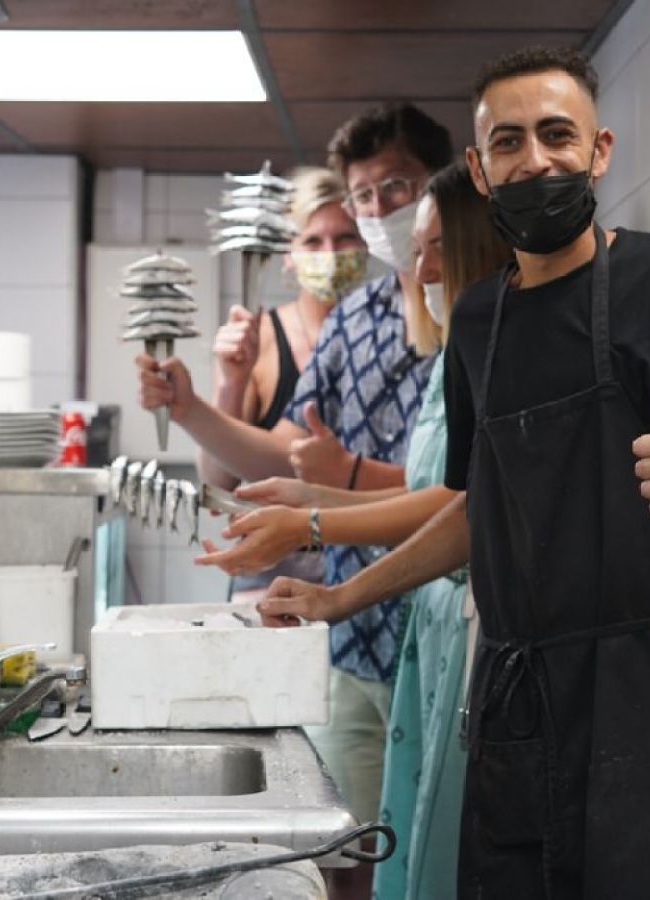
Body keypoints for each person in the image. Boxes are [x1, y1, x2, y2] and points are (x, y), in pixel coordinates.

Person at [257, 46, 650, 899]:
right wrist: (339, 596)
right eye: (510, 142)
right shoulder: (480, 320)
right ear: (478, 170)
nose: (536, 161)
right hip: (516, 701)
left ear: (600, 150)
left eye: (557, 136)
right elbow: (476, 509)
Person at [195, 161, 511, 900]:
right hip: (413, 638)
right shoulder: (451, 359)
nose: (417, 265)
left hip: (468, 630)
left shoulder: (497, 352)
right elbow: (429, 487)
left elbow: (462, 506)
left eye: (433, 247)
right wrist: (310, 494)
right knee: (396, 845)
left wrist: (313, 522)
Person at [137, 103, 454, 828]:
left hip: (436, 626)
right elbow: (290, 449)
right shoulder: (355, 316)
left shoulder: (479, 313)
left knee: (429, 850)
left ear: (441, 183)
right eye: (364, 195)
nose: (380, 210)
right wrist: (193, 409)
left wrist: (331, 488)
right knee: (343, 847)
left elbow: (464, 490)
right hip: (348, 639)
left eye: (398, 187)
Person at [199, 167, 368, 601]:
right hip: (270, 578)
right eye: (312, 240)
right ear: (287, 253)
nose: (329, 253)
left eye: (344, 238)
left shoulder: (391, 336)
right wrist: (231, 384)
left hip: (368, 573)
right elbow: (216, 479)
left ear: (366, 243)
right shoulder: (261, 340)